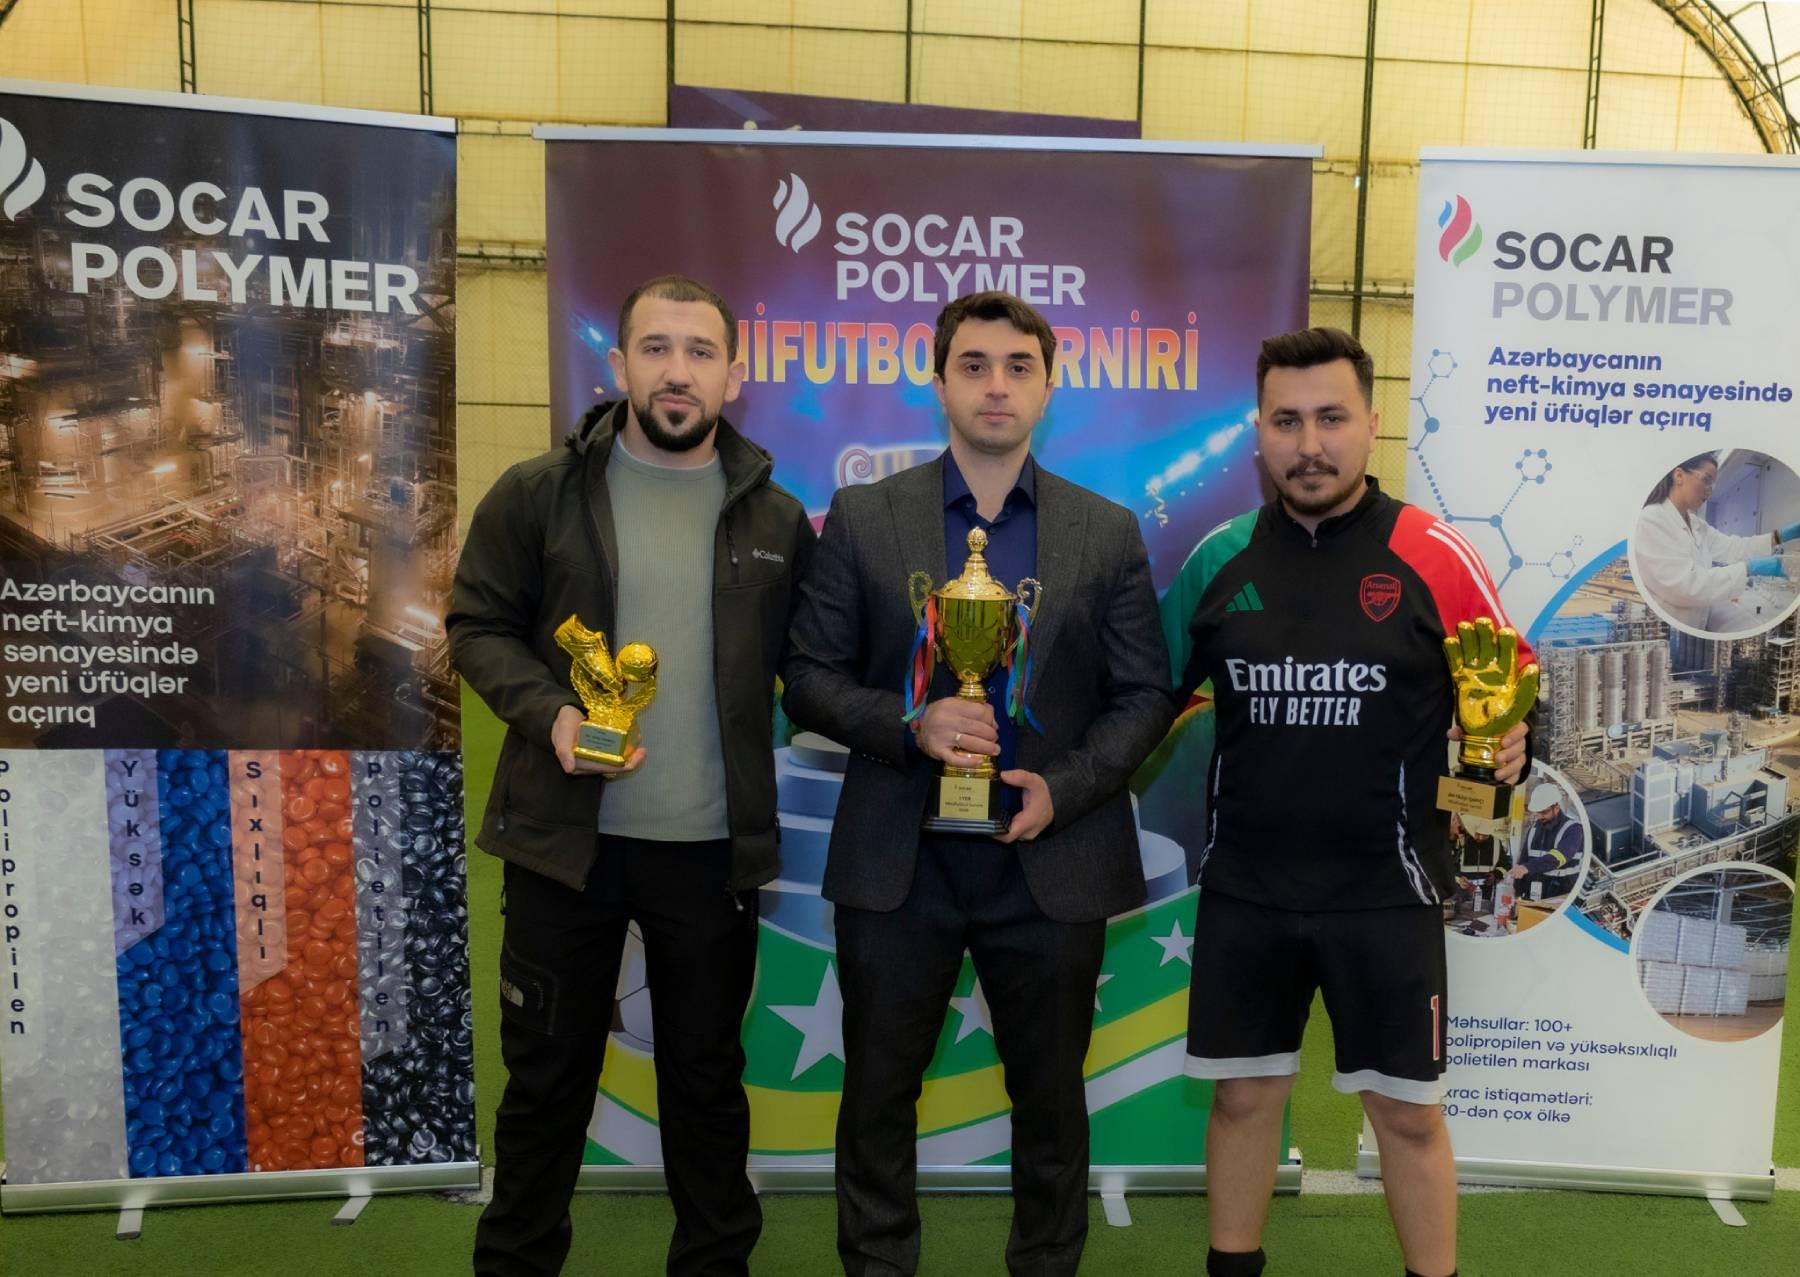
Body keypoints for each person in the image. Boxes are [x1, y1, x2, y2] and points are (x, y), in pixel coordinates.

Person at [782, 290, 1175, 1276]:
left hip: (1049, 857)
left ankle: (1045, 1263)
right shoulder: (866, 517)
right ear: (939, 382)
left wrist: (1066, 787)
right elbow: (808, 678)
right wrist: (910, 724)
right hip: (899, 857)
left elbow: (1143, 696)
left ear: (1048, 384)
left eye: (1017, 366)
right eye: (973, 365)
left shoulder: (1106, 530)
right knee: (878, 1092)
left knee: (1050, 1099)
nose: (996, 385)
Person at [450, 275, 815, 1277]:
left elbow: (815, 672)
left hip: (710, 855)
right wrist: (552, 714)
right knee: (546, 1083)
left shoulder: (778, 518)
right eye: (656, 348)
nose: (677, 370)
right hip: (563, 845)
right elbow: (476, 625)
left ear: (734, 374)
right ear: (618, 366)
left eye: (700, 351)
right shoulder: (537, 493)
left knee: (706, 1084)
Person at [1176, 327, 1532, 1277]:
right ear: (1259, 432)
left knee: (1408, 1117)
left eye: (1331, 418)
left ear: (1373, 424)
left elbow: (1510, 691)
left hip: (1386, 892)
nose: (1310, 444)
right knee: (1243, 1100)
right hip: (1246, 891)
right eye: (1286, 421)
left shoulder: (1433, 553)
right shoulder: (1218, 559)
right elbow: (1141, 698)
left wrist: (1511, 740)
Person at [1633, 451, 1800, 632]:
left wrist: (1779, 537)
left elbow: (1732, 547)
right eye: (1706, 480)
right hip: (1670, 628)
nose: (1710, 490)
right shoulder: (1651, 520)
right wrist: (1749, 568)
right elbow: (1686, 586)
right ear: (1679, 476)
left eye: (1712, 484)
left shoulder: (1696, 524)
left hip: (1695, 624)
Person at [1512, 784, 1583, 900]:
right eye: (1537, 812)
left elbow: (1557, 858)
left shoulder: (1573, 829)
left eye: (1544, 812)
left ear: (1557, 808)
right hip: (1533, 896)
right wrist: (1517, 894)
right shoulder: (1534, 828)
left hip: (1560, 895)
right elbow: (1523, 861)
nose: (1539, 817)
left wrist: (1527, 867)